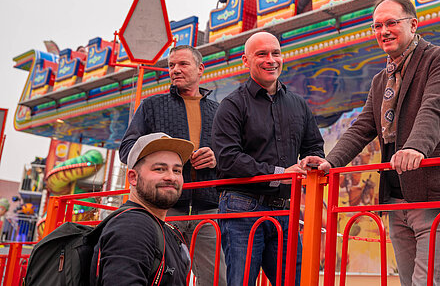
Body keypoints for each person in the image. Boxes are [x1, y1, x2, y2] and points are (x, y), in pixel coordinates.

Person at [301, 0, 440, 286]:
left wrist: (415, 147)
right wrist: (331, 161)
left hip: (433, 193)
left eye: (391, 23)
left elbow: (435, 108)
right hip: (395, 196)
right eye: (377, 26)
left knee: (426, 282)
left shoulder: (438, 58)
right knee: (407, 281)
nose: (384, 31)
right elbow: (362, 126)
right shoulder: (381, 79)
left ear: (413, 24)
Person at [212, 31, 325, 286]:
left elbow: (314, 146)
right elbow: (227, 158)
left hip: (286, 208)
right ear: (245, 60)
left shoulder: (298, 104)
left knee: (294, 282)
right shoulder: (231, 105)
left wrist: (312, 161)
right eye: (261, 54)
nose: (270, 60)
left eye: (276, 53)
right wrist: (280, 174)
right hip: (241, 208)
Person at [120, 45, 226, 286]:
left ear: (200, 69)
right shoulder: (151, 106)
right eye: (171, 65)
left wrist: (216, 159)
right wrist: (160, 152)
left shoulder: (220, 111)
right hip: (163, 208)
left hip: (208, 211)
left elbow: (233, 156)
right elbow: (126, 150)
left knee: (217, 281)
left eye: (183, 64)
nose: (175, 70)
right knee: (160, 277)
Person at [91, 133, 193, 285]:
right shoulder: (132, 227)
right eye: (160, 169)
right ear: (133, 177)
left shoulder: (162, 228)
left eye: (177, 170)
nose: (171, 177)